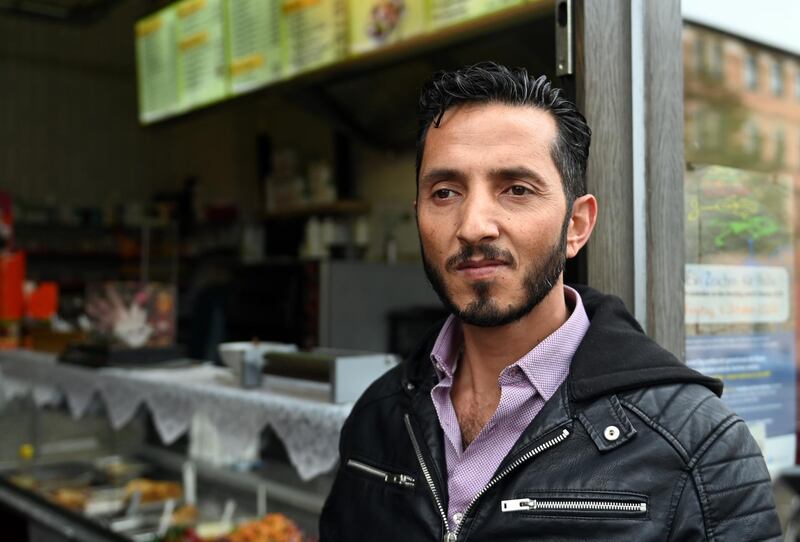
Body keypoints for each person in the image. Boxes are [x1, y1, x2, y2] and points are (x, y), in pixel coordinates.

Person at [319, 62, 781, 541]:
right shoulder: (378, 417)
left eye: (516, 189)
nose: (474, 224)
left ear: (577, 226)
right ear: (419, 216)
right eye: (445, 192)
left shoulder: (698, 446)